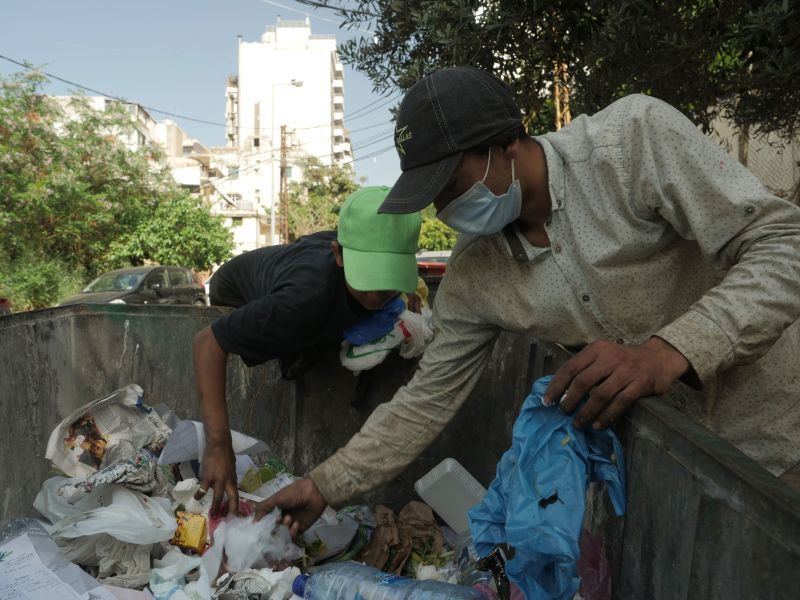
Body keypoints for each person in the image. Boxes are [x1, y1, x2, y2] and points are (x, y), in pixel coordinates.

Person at [258, 66, 800, 536]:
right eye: (433, 197)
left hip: (776, 438)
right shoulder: (476, 273)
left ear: (505, 144)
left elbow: (784, 246)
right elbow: (426, 399)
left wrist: (665, 352)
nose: (445, 207)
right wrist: (325, 485)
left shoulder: (632, 143)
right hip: (668, 473)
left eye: (451, 183)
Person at [194, 186, 422, 514]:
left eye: (389, 277)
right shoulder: (304, 300)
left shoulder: (378, 280)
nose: (377, 292)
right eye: (368, 277)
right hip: (235, 291)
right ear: (339, 253)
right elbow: (207, 343)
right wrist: (218, 446)